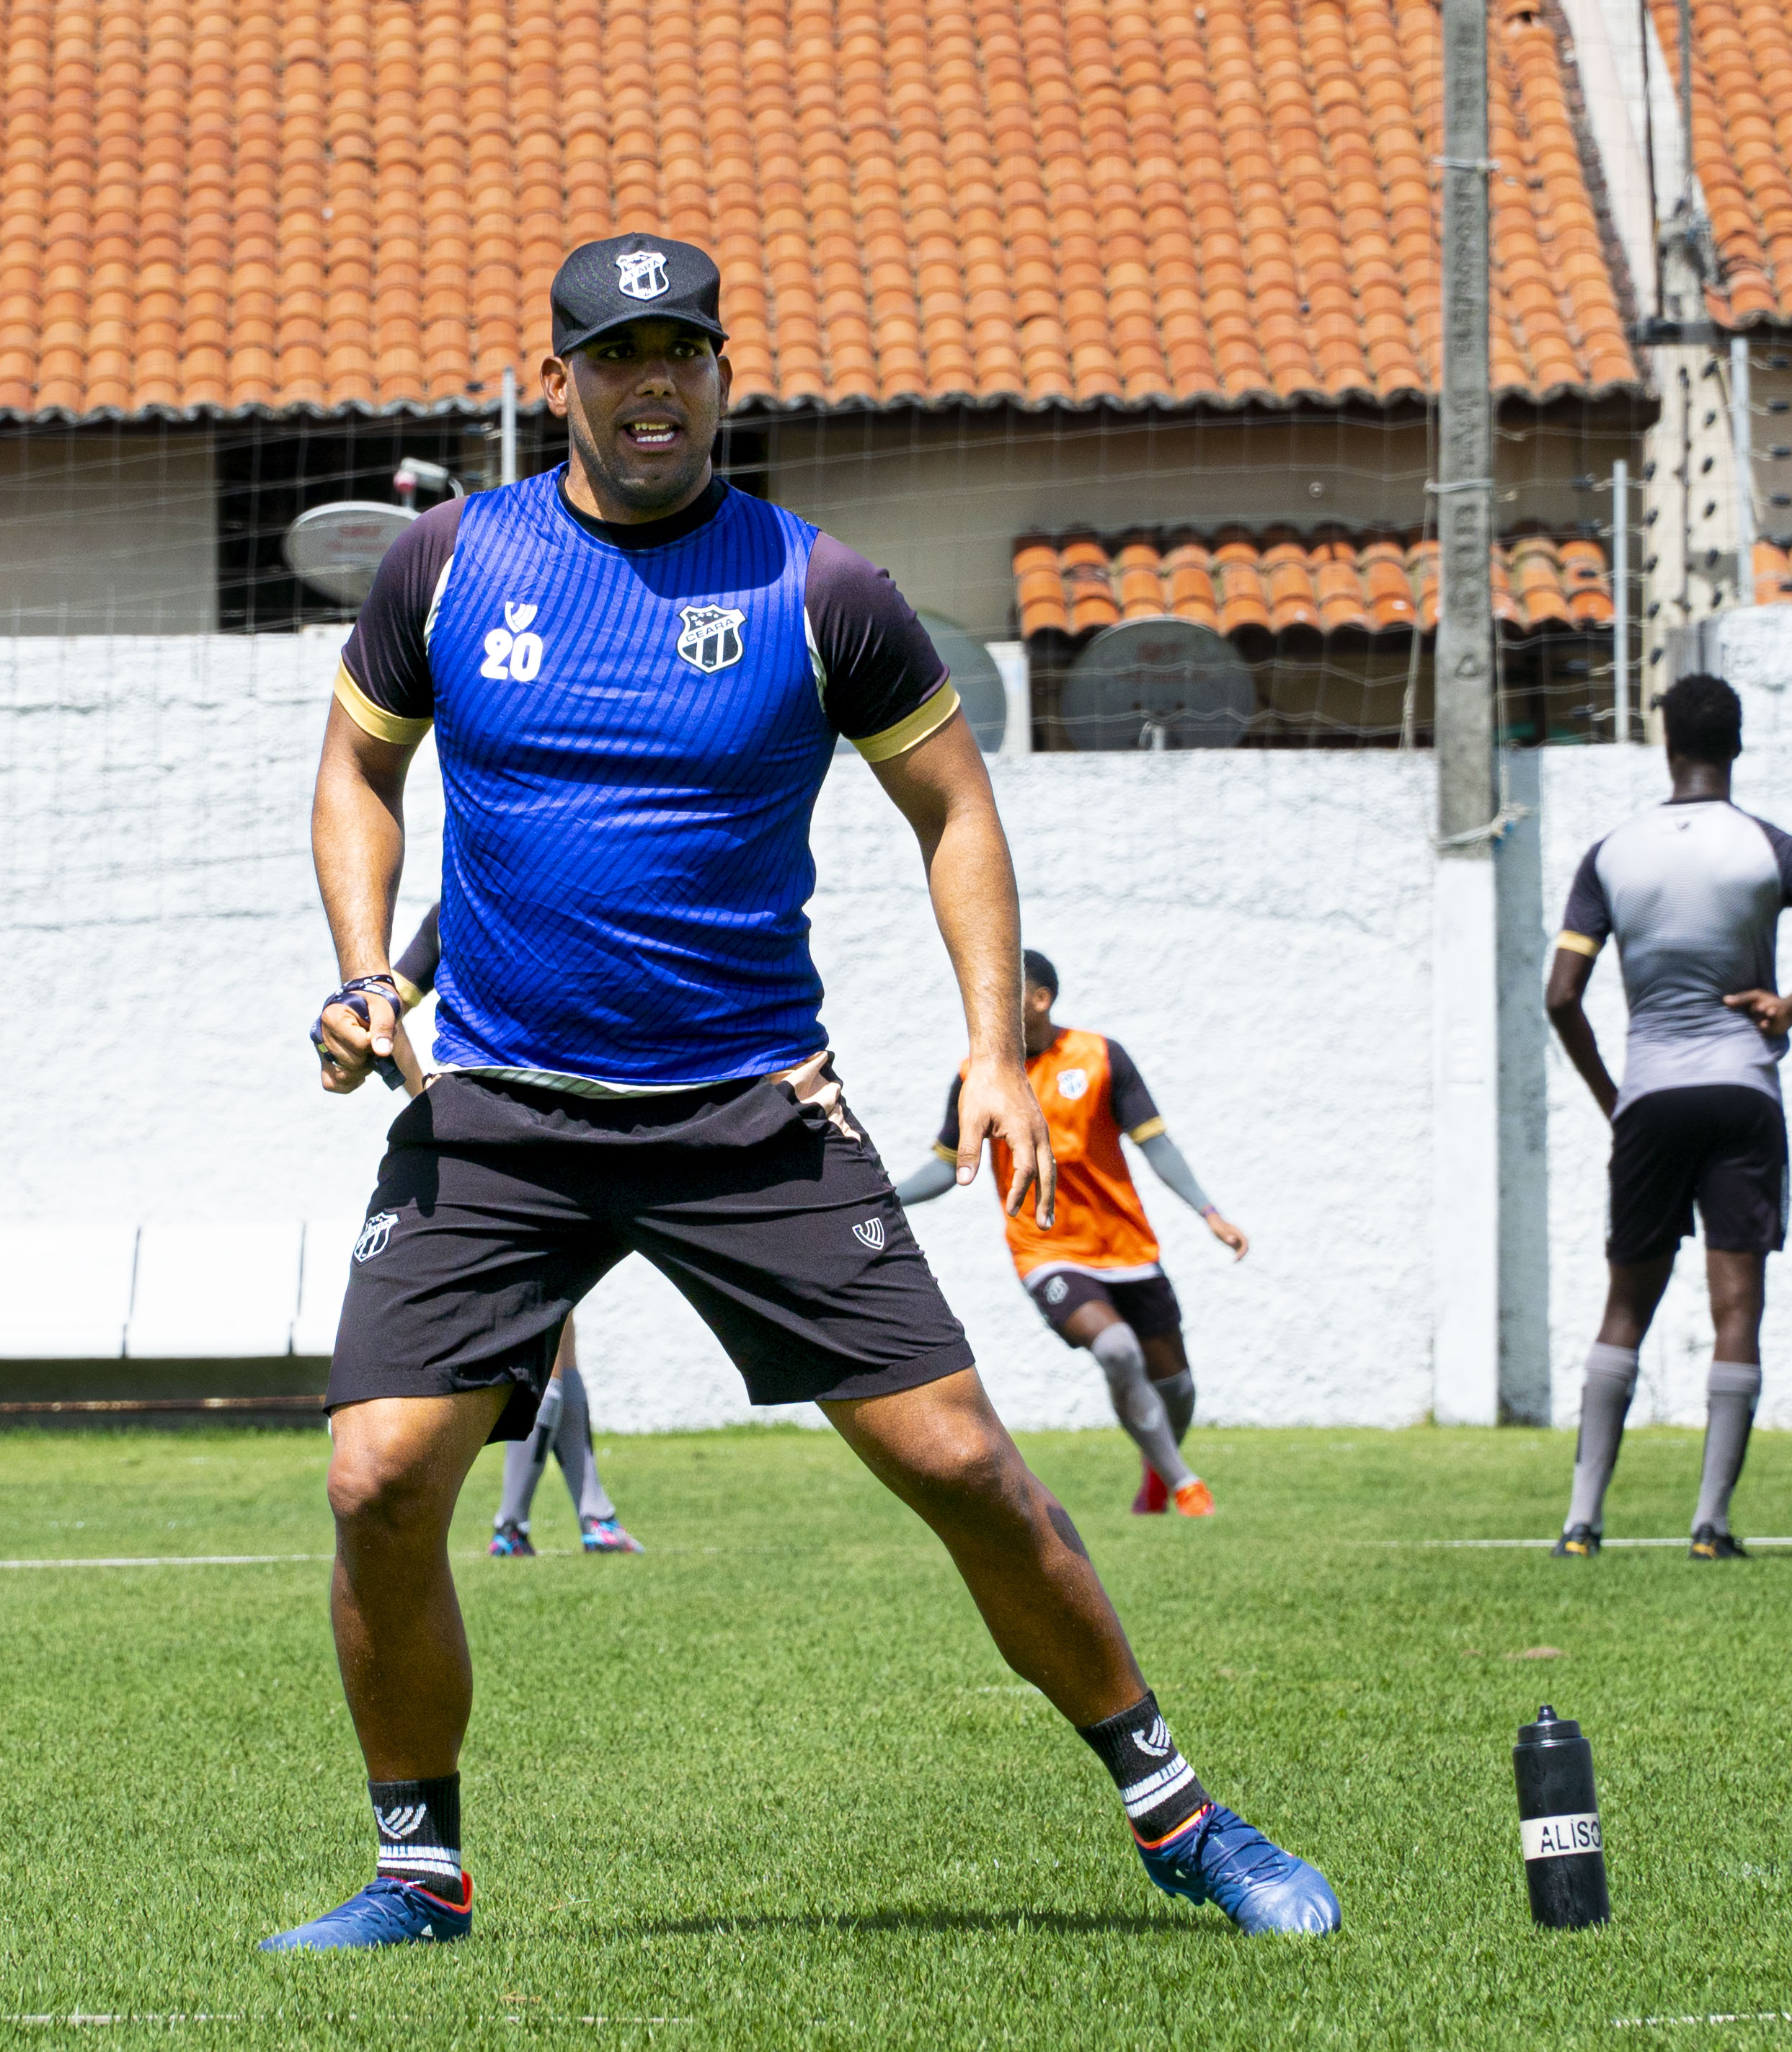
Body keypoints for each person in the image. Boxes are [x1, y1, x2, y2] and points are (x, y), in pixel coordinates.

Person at [285, 233, 1336, 1950]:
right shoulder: (450, 561)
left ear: (720, 374)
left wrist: (989, 1052)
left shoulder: (817, 587)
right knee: (377, 1478)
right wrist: (359, 969)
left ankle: (1184, 1818)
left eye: (680, 353)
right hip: (499, 1114)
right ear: (557, 383)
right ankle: (417, 1875)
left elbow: (955, 808)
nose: (652, 385)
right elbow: (357, 764)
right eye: (616, 357)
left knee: (964, 1465)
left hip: (748, 1114)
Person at [1543, 675, 1792, 1561]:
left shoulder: (1611, 853)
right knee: (1737, 1310)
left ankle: (1581, 1523)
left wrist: (1614, 1098)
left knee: (1625, 1308)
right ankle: (1710, 1526)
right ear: (1737, 743)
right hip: (1741, 1093)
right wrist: (1789, 1006)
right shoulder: (1772, 847)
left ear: (1668, 746)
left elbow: (1562, 996)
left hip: (1650, 1097)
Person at [894, 949, 1247, 1517]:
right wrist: (885, 1195)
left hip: (1127, 1247)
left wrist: (1210, 1213)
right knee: (1117, 1349)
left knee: (1177, 1388)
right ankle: (1185, 1483)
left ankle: (1158, 1475)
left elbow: (1155, 1144)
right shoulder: (976, 1076)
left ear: (1040, 999)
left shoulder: (1101, 1057)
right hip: (1046, 1249)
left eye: (1007, 994)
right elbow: (946, 1164)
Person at [390, 903, 642, 1557]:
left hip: (567, 1154)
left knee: (562, 1340)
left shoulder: (558, 904)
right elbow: (381, 1011)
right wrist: (427, 1100)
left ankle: (587, 1516)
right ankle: (517, 1524)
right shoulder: (458, 914)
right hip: (504, 1165)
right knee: (546, 1341)